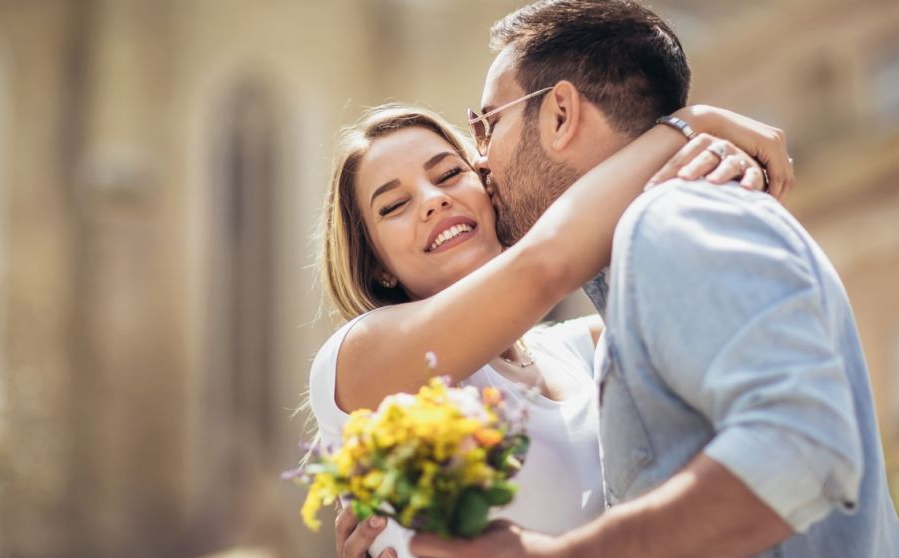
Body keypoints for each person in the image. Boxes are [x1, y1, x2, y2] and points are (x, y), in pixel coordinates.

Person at [407, 1, 899, 557]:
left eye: (486, 124)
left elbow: (804, 448)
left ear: (561, 114)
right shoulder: (635, 265)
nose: (478, 161)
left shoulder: (671, 221)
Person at [312, 98, 791, 557]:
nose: (433, 200)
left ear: (486, 186)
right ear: (379, 267)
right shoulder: (356, 358)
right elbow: (545, 263)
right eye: (393, 206)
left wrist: (714, 172)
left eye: (449, 174)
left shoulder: (582, 348)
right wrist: (693, 124)